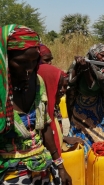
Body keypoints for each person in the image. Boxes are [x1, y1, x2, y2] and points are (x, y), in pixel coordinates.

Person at [0, 24, 71, 184]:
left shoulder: (37, 82)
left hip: (42, 166)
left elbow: (45, 127)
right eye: (22, 62)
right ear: (5, 59)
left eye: (34, 61)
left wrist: (60, 166)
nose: (29, 69)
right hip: (8, 171)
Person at [67, 43, 104, 157]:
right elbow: (70, 81)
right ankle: (80, 157)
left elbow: (95, 86)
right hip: (80, 105)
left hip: (96, 107)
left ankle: (94, 158)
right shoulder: (81, 63)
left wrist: (87, 69)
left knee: (97, 133)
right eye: (102, 55)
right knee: (78, 131)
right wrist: (78, 66)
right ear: (94, 53)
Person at [38, 64, 84, 155]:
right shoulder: (39, 111)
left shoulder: (55, 106)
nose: (63, 91)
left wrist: (64, 138)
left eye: (64, 87)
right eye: (58, 86)